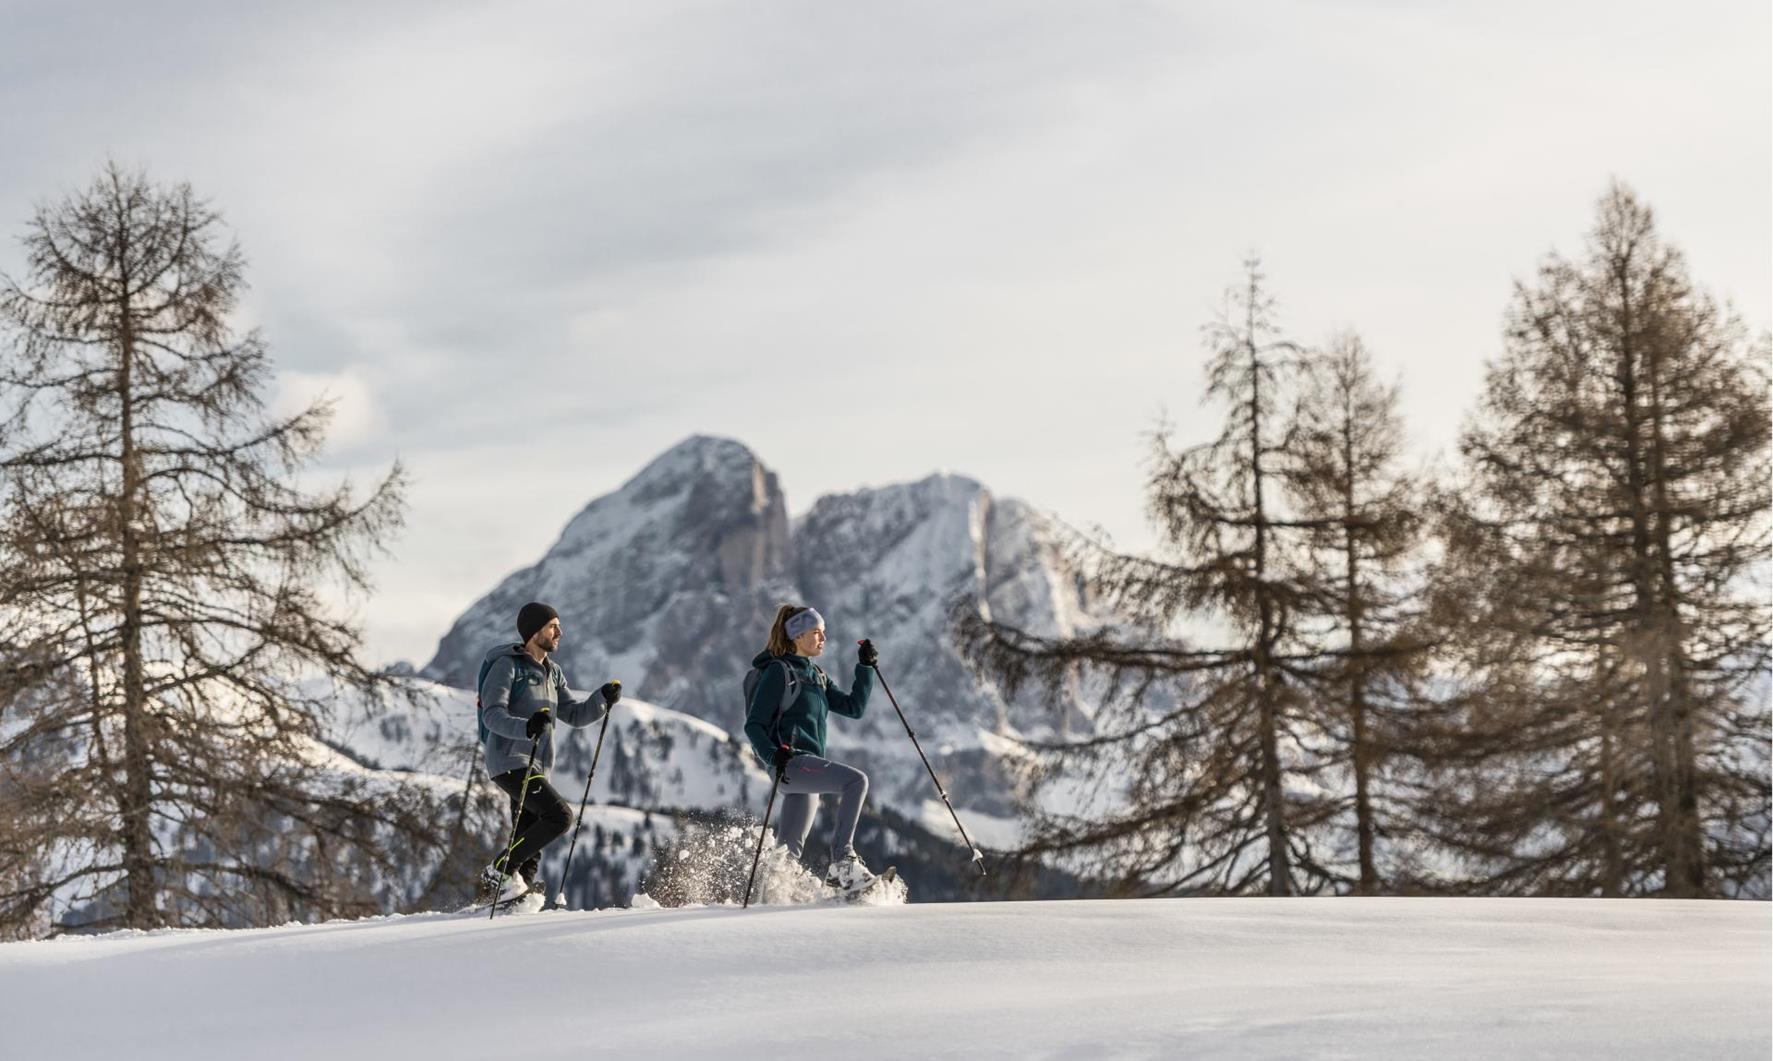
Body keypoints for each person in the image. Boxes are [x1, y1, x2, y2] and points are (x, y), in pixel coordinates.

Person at [474, 601, 621, 906]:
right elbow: (492, 715)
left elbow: (575, 714)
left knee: (529, 841)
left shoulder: (553, 673)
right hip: (510, 761)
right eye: (553, 626)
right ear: (534, 630)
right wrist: (526, 727)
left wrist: (602, 699)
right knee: (559, 816)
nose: (560, 632)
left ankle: (513, 899)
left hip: (538, 765)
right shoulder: (506, 665)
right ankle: (500, 870)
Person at [744, 604, 880, 892]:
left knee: (786, 855)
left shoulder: (817, 675)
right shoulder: (778, 672)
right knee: (856, 781)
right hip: (791, 763)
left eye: (824, 633)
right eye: (816, 632)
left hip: (806, 768)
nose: (823, 638)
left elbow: (853, 708)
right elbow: (753, 725)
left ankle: (774, 895)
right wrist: (772, 755)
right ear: (797, 635)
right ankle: (843, 862)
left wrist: (865, 668)